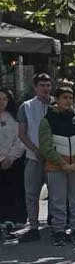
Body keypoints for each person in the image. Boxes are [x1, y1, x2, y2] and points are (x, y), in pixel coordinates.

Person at [37, 86, 75, 246]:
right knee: (57, 201)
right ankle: (59, 231)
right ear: (57, 99)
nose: (68, 101)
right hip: (56, 168)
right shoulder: (47, 120)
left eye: (70, 98)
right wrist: (62, 163)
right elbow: (45, 146)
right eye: (64, 98)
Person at [16, 72, 53, 242]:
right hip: (34, 157)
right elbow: (22, 134)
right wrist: (35, 150)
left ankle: (56, 225)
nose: (45, 89)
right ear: (35, 87)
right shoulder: (27, 107)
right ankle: (33, 227)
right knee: (31, 194)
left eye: (48, 85)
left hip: (54, 157)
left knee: (57, 193)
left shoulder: (57, 103)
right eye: (42, 86)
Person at [0, 87, 26, 235]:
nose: (2, 102)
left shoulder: (13, 118)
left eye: (5, 99)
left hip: (12, 162)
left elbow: (20, 140)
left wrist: (10, 157)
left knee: (13, 191)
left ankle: (14, 220)